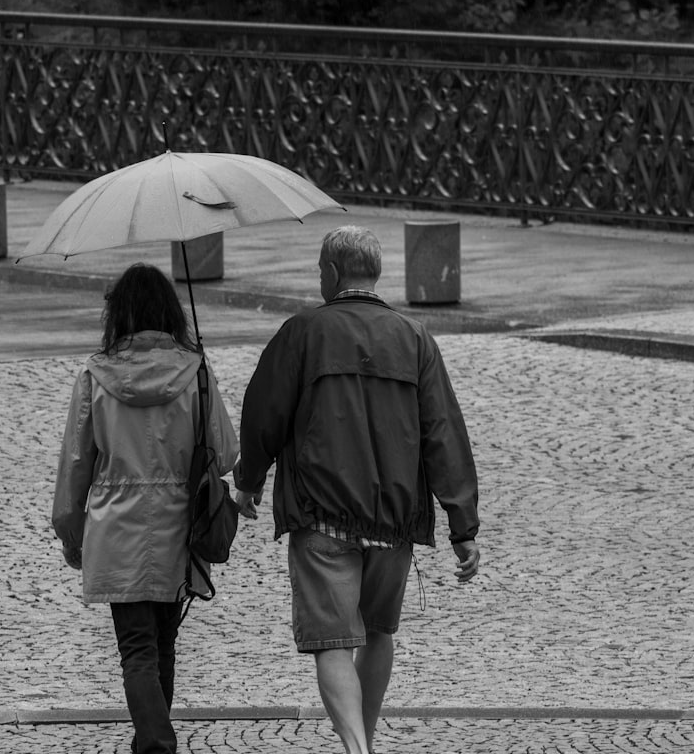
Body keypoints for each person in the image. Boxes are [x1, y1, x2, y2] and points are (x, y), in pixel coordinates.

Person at [234, 225, 480, 754]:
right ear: (378, 273)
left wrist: (247, 483)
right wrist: (463, 525)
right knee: (377, 631)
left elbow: (262, 416)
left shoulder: (302, 333)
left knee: (333, 641)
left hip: (322, 515)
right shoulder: (415, 338)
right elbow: (443, 432)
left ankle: (356, 749)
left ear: (330, 272)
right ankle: (363, 741)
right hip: (393, 520)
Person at [52, 263, 238, 754]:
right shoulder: (194, 370)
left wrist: (71, 533)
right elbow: (226, 450)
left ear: (118, 315)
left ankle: (154, 743)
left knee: (136, 649)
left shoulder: (95, 376)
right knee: (163, 644)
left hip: (117, 526)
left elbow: (76, 462)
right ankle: (152, 742)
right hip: (180, 522)